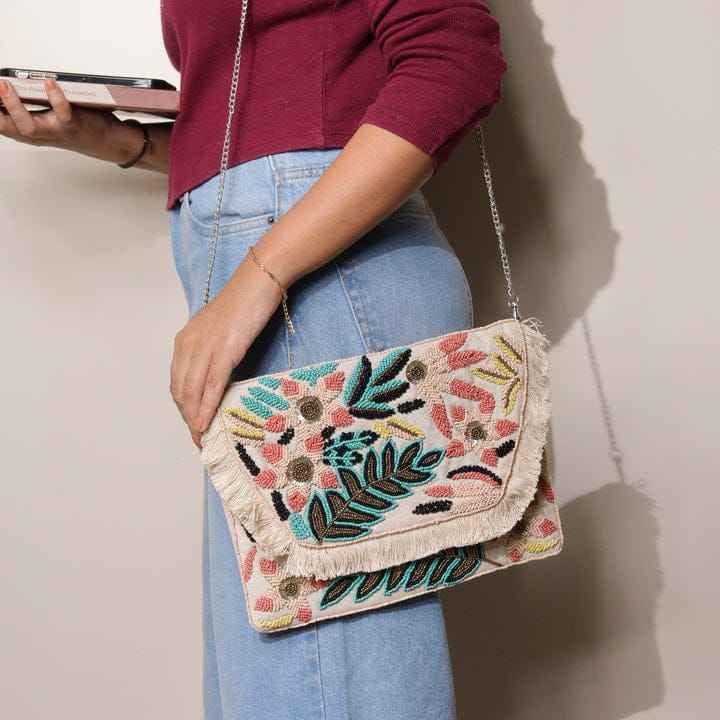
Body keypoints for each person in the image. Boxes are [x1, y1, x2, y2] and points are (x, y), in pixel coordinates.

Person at [0, 1, 507, 717]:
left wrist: (258, 279)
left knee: (323, 673)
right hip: (286, 266)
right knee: (286, 669)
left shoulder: (273, 275)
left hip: (324, 275)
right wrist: (113, 139)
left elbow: (454, 60)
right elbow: (271, 108)